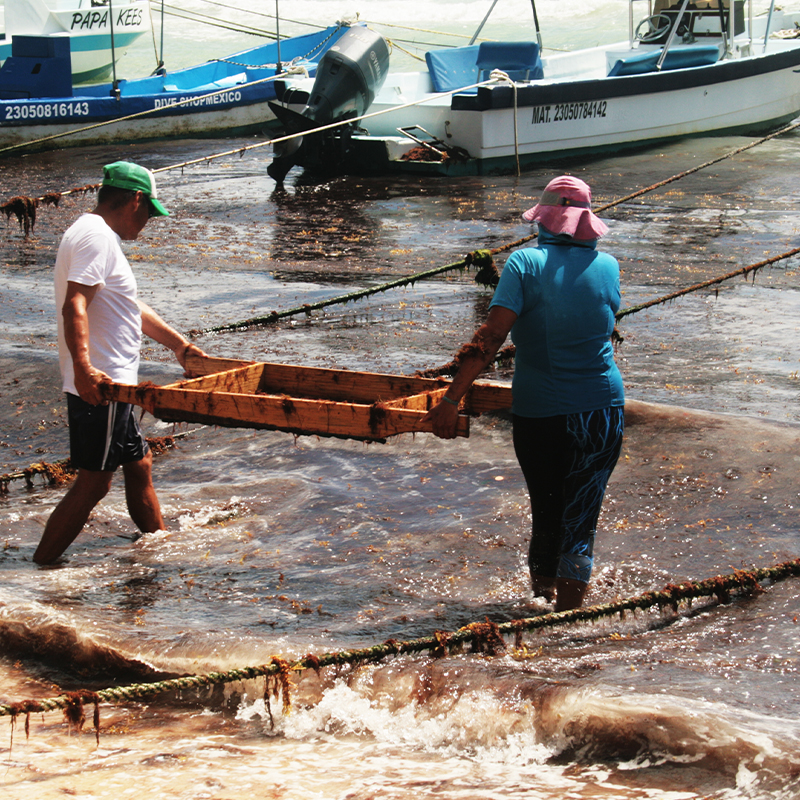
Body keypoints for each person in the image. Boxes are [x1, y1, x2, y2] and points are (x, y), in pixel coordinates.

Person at [424, 175, 624, 611]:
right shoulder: (608, 267)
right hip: (602, 410)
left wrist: (451, 400)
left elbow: (491, 337)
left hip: (542, 414)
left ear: (546, 219)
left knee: (547, 508)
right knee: (582, 514)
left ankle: (542, 605)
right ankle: (569, 620)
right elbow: (605, 325)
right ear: (586, 221)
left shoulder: (523, 264)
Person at [34, 161, 207, 565]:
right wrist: (84, 369)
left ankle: (158, 546)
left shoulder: (93, 234)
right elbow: (74, 303)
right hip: (103, 386)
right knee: (94, 483)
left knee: (139, 462)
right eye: (149, 211)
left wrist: (178, 346)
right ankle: (39, 569)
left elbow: (127, 306)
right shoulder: (95, 238)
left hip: (113, 384)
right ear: (135, 199)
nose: (148, 221)